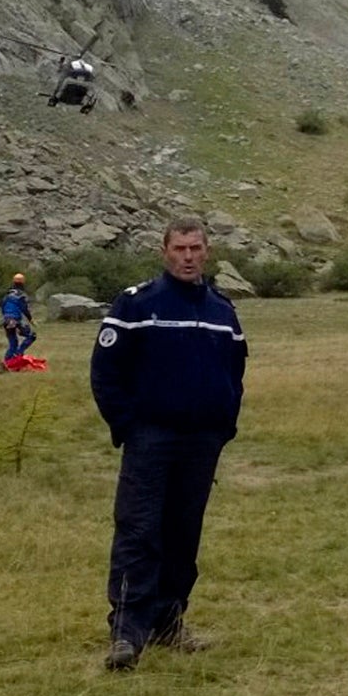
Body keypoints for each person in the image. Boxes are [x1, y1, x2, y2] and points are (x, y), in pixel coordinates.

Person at [91, 217, 247, 672]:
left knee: (183, 534)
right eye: (179, 248)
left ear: (207, 251)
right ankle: (127, 632)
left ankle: (168, 622)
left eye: (195, 248)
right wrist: (129, 426)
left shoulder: (222, 310)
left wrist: (224, 425)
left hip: (202, 442)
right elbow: (105, 371)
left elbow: (234, 372)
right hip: (151, 438)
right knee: (139, 531)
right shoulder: (137, 305)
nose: (188, 256)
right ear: (164, 251)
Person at [1, 273, 37, 363]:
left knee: (13, 343)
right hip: (15, 320)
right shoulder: (21, 295)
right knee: (31, 335)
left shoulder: (7, 294)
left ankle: (8, 362)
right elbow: (24, 308)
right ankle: (19, 353)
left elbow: (2, 306)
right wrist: (30, 319)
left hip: (7, 320)